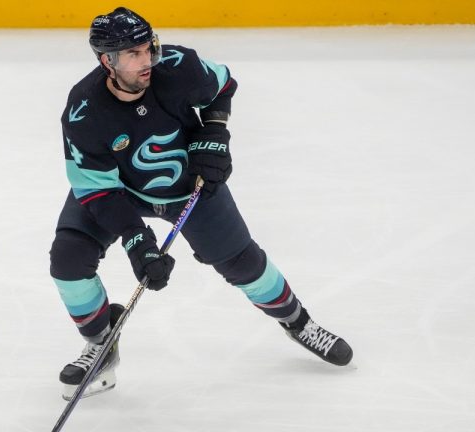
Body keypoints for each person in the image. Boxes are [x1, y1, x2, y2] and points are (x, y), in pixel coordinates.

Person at [50, 7, 353, 399]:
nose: (148, 61)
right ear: (107, 60)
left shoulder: (178, 66)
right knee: (68, 259)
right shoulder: (83, 110)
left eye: (149, 48)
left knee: (243, 264)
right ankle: (101, 344)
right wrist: (135, 239)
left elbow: (223, 86)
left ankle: (299, 323)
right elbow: (95, 190)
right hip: (120, 192)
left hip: (188, 185)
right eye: (135, 54)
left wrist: (214, 131)